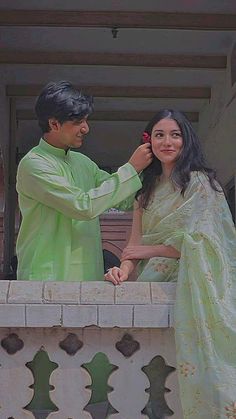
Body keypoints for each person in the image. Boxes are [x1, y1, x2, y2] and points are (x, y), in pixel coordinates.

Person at [105, 109, 236, 418]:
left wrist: (144, 253)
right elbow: (133, 246)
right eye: (160, 135)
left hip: (194, 285)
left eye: (175, 134)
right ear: (149, 142)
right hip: (152, 284)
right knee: (155, 377)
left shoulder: (200, 183)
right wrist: (121, 271)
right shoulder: (144, 193)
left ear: (185, 140)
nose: (167, 141)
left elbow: (207, 244)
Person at [16, 80, 152, 281]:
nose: (86, 128)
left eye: (86, 121)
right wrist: (132, 168)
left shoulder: (83, 162)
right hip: (45, 276)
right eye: (78, 122)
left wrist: (155, 168)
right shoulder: (34, 164)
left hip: (88, 276)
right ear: (54, 124)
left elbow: (123, 200)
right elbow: (83, 206)